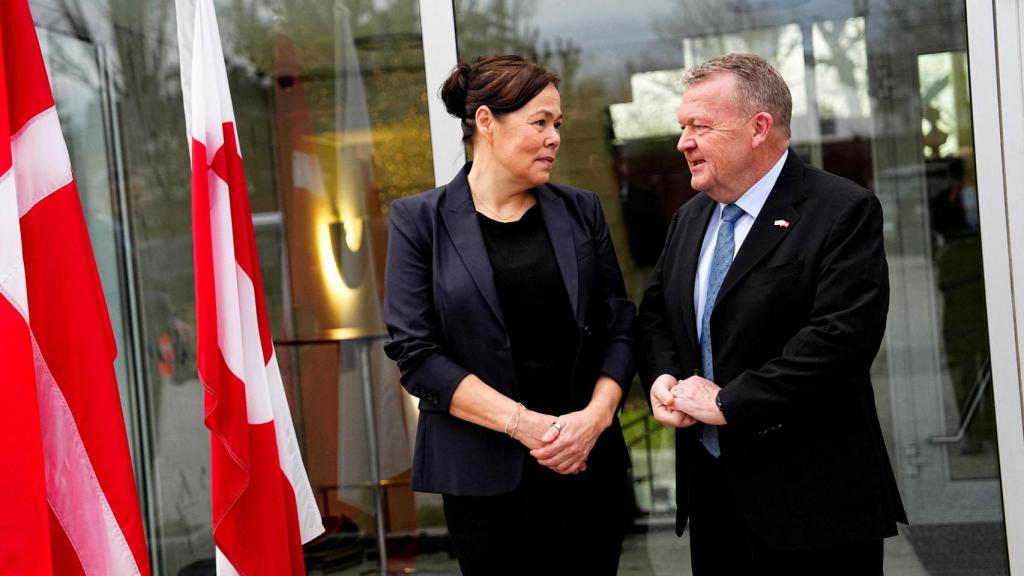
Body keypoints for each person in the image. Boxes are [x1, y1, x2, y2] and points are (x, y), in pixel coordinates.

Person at [635, 53, 907, 575]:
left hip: (813, 504)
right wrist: (664, 378)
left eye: (699, 126)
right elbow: (655, 317)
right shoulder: (689, 219)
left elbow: (839, 340)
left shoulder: (841, 210)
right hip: (714, 500)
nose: (683, 142)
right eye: (682, 127)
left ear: (759, 128)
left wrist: (729, 402)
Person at [383, 55, 634, 576]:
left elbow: (619, 327)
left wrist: (595, 418)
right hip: (483, 482)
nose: (554, 138)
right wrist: (525, 426)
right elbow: (417, 356)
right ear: (486, 122)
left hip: (585, 464)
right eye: (539, 122)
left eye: (557, 124)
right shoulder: (419, 222)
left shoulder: (582, 210)